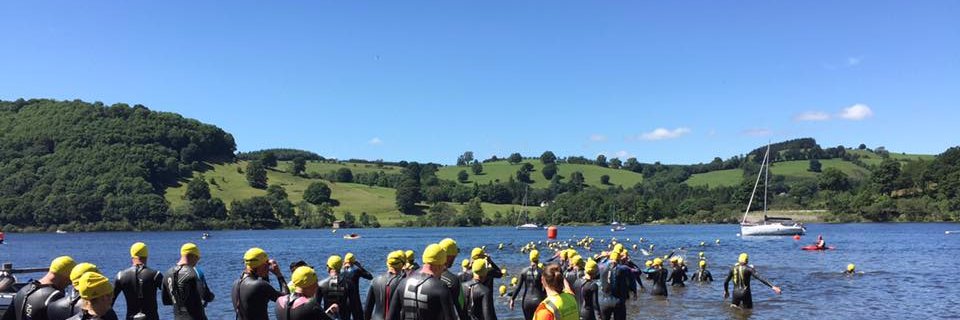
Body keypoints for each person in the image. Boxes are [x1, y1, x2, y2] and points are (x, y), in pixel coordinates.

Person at [386, 243, 458, 320]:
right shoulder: (440, 287)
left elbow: (391, 317)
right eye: (444, 265)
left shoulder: (403, 283)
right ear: (439, 265)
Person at [1, 256, 76, 320]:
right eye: (69, 279)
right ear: (64, 276)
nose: (69, 283)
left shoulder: (23, 290)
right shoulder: (54, 296)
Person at [232, 247, 289, 320]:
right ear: (262, 265)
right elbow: (286, 300)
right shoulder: (260, 285)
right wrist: (279, 275)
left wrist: (265, 275)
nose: (267, 267)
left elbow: (264, 298)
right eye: (266, 264)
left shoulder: (236, 284)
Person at [162, 243, 215, 320]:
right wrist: (211, 296)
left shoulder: (167, 274)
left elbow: (166, 301)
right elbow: (206, 296)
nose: (198, 260)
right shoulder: (195, 272)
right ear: (193, 256)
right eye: (198, 257)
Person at [113, 242, 164, 320]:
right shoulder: (155, 275)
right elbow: (169, 298)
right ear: (146, 256)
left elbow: (109, 303)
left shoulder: (121, 276)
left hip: (131, 317)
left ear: (132, 256)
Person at [364, 251, 406, 320]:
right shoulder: (403, 282)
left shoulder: (375, 280)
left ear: (387, 263)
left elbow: (367, 309)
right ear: (402, 264)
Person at [509, 250, 546, 320]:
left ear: (530, 258)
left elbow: (518, 287)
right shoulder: (542, 271)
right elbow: (546, 288)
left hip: (526, 301)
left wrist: (512, 299)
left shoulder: (524, 271)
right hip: (538, 300)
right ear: (538, 258)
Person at [597, 250, 632, 320]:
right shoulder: (624, 269)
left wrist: (602, 256)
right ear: (619, 259)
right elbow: (636, 273)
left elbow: (595, 263)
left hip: (604, 301)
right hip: (618, 301)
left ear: (609, 258)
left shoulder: (600, 267)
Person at [317, 255, 355, 320]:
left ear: (328, 267)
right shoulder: (349, 284)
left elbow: (316, 309)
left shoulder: (321, 284)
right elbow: (355, 308)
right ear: (340, 267)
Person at [437, 239, 465, 319]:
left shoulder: (419, 275)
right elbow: (462, 310)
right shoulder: (453, 280)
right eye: (455, 256)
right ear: (450, 257)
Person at [341, 252, 372, 320]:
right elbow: (370, 276)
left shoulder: (340, 271)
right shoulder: (357, 270)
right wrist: (360, 267)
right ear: (354, 262)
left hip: (344, 300)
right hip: (355, 299)